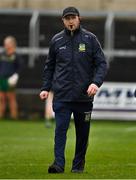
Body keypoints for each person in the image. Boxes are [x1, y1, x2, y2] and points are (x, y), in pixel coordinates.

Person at [40, 7, 108, 173]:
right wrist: (45, 88)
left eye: (73, 17)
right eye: (67, 18)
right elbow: (49, 67)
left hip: (83, 98)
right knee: (60, 131)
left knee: (82, 135)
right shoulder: (56, 40)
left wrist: (96, 83)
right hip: (62, 96)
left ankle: (78, 166)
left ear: (79, 18)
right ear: (63, 21)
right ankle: (58, 164)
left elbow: (102, 64)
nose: (70, 21)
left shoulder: (90, 39)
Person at [0, 36, 21, 119]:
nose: (6, 45)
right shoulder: (2, 54)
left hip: (10, 79)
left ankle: (14, 116)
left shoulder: (16, 56)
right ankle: (1, 116)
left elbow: (20, 67)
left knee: (11, 98)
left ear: (12, 44)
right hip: (2, 79)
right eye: (5, 43)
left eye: (8, 43)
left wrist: (15, 75)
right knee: (1, 98)